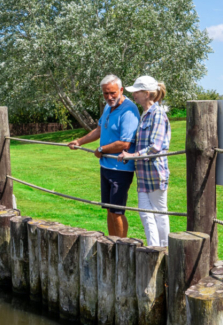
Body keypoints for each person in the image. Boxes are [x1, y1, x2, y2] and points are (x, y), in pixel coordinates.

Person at [68, 75, 139, 237]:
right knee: (109, 209)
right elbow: (99, 129)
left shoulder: (129, 110)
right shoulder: (108, 107)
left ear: (121, 90)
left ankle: (122, 248)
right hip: (106, 167)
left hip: (120, 169)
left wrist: (102, 149)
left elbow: (125, 144)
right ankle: (111, 243)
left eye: (112, 93)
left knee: (117, 211)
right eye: (105, 93)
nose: (109, 97)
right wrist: (79, 141)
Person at [118, 75, 171, 247]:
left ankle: (164, 249)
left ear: (147, 94)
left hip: (155, 173)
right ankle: (153, 247)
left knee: (159, 213)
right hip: (143, 174)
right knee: (145, 213)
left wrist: (131, 156)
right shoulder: (145, 115)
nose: (134, 95)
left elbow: (155, 147)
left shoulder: (157, 114)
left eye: (137, 92)